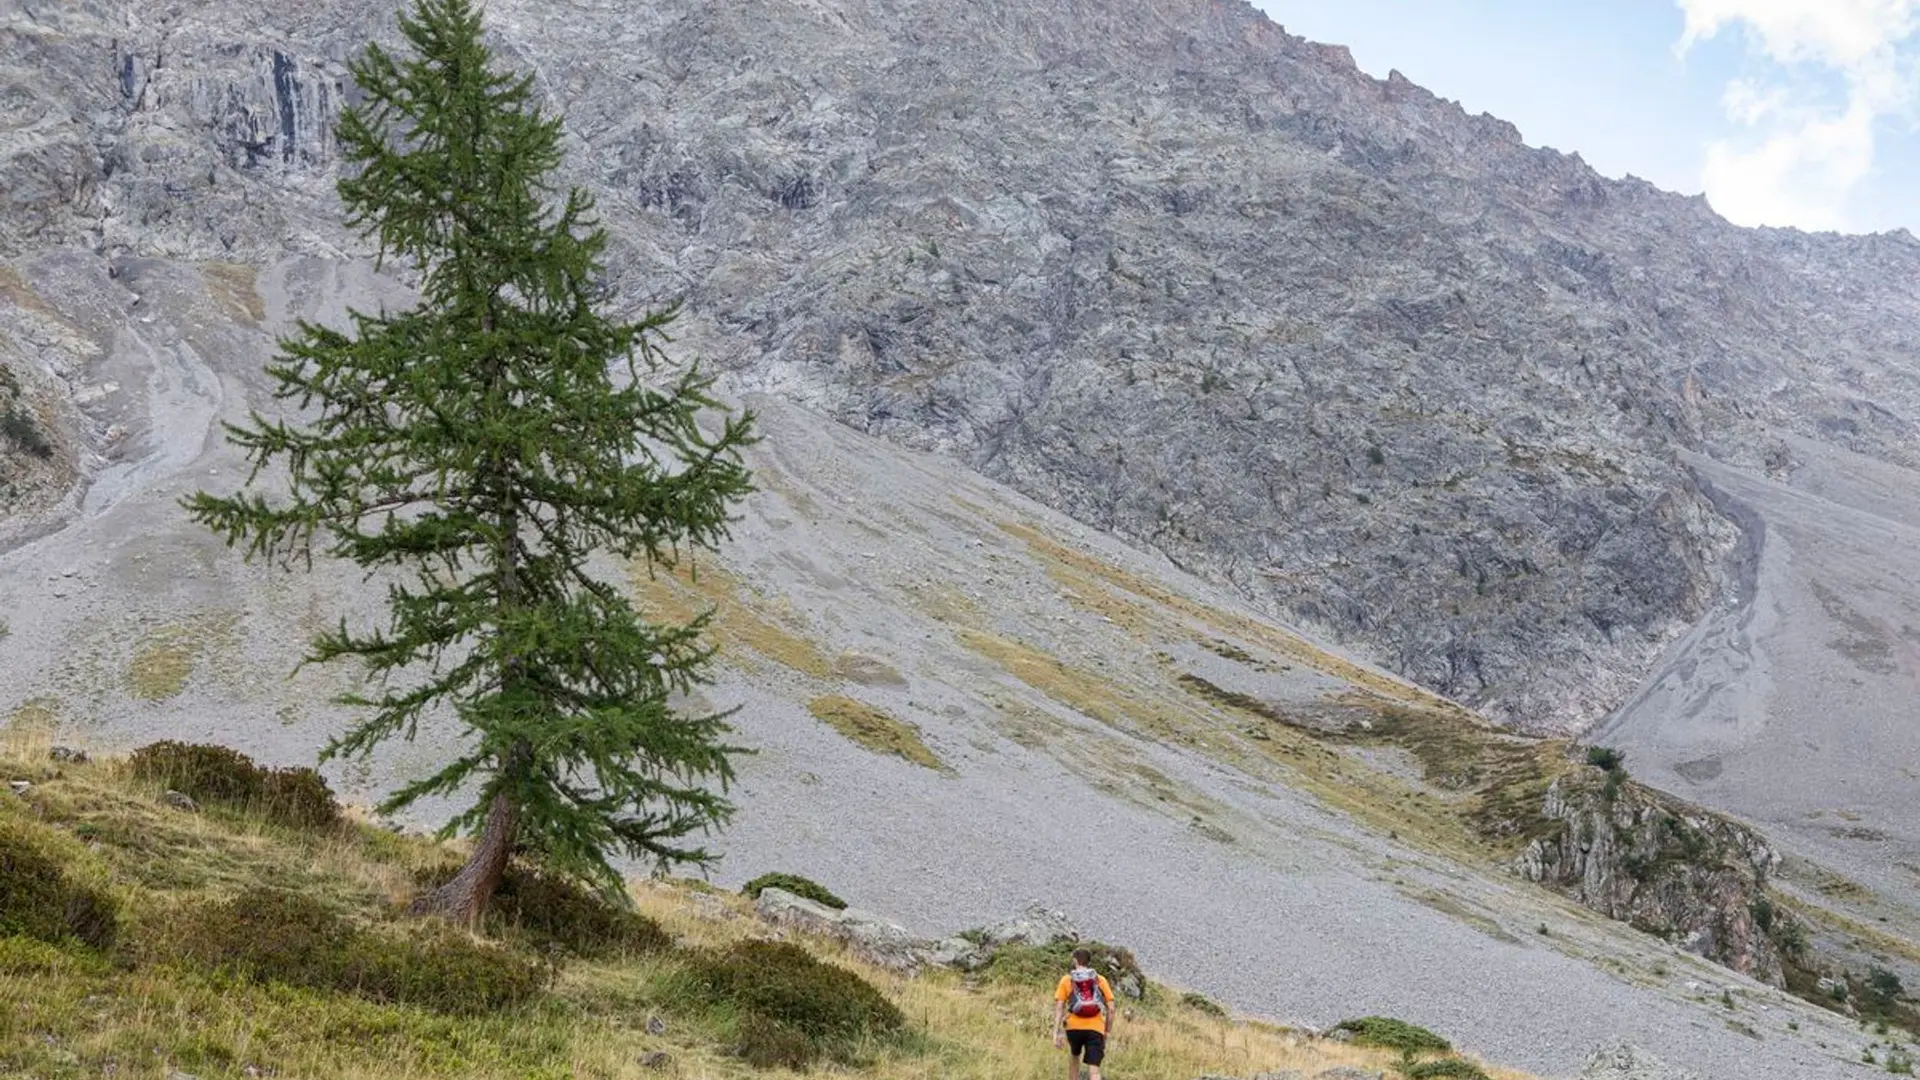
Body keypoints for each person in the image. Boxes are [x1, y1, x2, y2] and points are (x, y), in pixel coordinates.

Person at [1053, 947, 1116, 1080]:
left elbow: (1059, 1007)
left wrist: (1056, 1033)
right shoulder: (1100, 980)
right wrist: (1107, 1031)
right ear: (1089, 961)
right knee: (1094, 1072)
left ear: (1075, 960)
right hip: (1095, 1029)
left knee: (1074, 1058)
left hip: (1073, 1028)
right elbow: (1111, 1009)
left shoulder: (1067, 979)